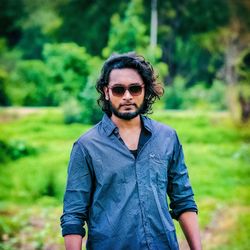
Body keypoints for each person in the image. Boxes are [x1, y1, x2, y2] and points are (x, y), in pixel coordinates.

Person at [60, 52, 202, 250]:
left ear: (145, 90)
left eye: (134, 89)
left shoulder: (167, 138)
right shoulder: (86, 146)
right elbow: (73, 215)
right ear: (106, 92)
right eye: (118, 90)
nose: (127, 96)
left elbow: (184, 200)